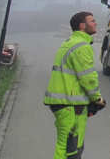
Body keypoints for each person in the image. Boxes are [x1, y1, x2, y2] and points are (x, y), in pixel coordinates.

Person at [44, 11, 105, 159]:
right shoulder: (81, 47)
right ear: (82, 25)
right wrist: (97, 99)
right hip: (70, 106)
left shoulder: (70, 42)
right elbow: (88, 79)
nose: (96, 23)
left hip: (65, 104)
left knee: (68, 147)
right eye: (92, 21)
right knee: (69, 150)